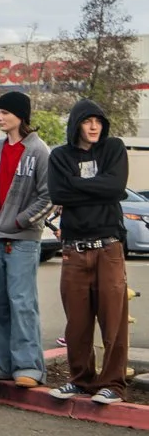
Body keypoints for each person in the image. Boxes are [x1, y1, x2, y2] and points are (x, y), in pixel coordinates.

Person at [47, 100, 129, 403]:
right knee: (77, 322)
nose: (94, 126)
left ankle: (113, 385)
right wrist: (98, 187)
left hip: (108, 247)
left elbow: (116, 187)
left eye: (98, 121)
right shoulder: (60, 156)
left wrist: (77, 186)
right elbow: (58, 192)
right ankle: (80, 379)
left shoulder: (113, 148)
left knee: (114, 321)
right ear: (76, 124)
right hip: (74, 250)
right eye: (87, 121)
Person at [0, 88, 52, 386]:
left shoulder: (38, 150)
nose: (0, 117)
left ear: (20, 115)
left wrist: (22, 220)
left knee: (22, 302)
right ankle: (3, 364)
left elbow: (50, 196)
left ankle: (30, 368)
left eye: (5, 112)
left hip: (23, 240)